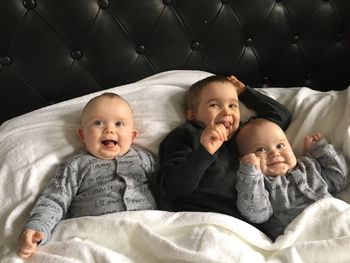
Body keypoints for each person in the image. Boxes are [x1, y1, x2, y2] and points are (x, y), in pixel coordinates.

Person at [18, 92, 157, 259]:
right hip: (95, 234)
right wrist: (38, 226)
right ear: (83, 135)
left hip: (145, 228)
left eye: (119, 123)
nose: (109, 129)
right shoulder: (76, 165)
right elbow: (55, 199)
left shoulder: (143, 159)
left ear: (133, 136)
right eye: (98, 123)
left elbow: (165, 188)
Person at [156, 74, 292, 219]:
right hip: (196, 214)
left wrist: (245, 93)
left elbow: (280, 117)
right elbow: (170, 189)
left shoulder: (244, 136)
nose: (227, 112)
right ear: (191, 115)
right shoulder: (187, 134)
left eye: (233, 105)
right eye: (214, 105)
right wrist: (204, 151)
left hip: (245, 221)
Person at [235, 118, 348, 240]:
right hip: (302, 238)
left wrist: (320, 150)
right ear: (244, 160)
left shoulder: (308, 165)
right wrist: (249, 173)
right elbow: (256, 214)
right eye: (260, 149)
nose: (275, 153)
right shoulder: (260, 185)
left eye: (280, 145)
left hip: (337, 219)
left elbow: (339, 178)